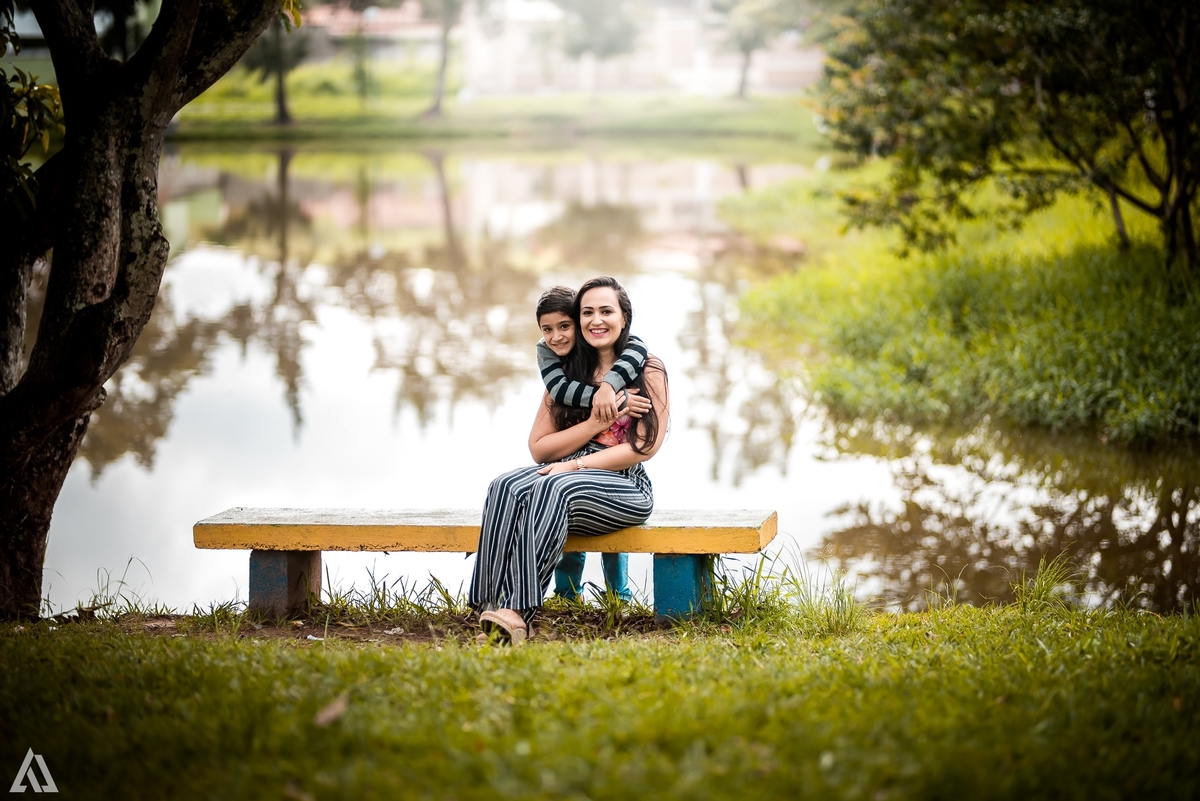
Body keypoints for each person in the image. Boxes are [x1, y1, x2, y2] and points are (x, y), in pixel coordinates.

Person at [469, 276, 669, 642]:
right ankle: (489, 607)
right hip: (564, 472)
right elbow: (540, 449)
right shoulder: (564, 374)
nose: (597, 320)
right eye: (587, 312)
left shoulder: (648, 368)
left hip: (623, 482)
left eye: (606, 311)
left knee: (554, 487)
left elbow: (645, 447)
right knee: (505, 486)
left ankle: (518, 613)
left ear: (624, 317)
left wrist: (574, 465)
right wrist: (595, 421)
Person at [533, 285, 648, 603]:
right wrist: (609, 400)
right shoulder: (560, 370)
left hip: (617, 471)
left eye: (565, 326)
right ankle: (567, 594)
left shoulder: (632, 363)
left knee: (607, 531)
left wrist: (613, 388)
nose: (556, 336)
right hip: (570, 465)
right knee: (563, 510)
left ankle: (619, 596)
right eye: (548, 329)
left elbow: (638, 346)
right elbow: (558, 398)